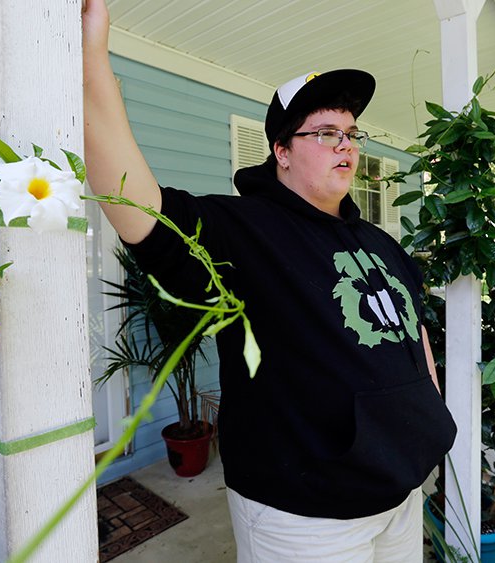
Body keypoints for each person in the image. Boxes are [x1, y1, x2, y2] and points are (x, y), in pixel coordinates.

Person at [82, 1, 457, 561]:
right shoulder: (244, 230)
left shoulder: (381, 243)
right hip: (304, 512)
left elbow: (414, 336)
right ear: (281, 151)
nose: (346, 146)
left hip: (398, 494)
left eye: (352, 134)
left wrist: (427, 419)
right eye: (326, 132)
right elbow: (141, 210)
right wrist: (91, 60)